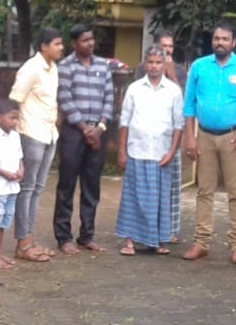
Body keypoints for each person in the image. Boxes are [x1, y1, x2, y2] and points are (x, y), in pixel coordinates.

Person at [181, 23, 236, 265]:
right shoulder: (199, 66)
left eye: (225, 39)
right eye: (216, 38)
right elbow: (189, 105)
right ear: (212, 41)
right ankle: (201, 242)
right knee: (204, 190)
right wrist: (191, 137)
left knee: (235, 192)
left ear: (233, 42)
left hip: (233, 136)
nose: (220, 42)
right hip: (204, 135)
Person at [115, 46, 184, 256]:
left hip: (161, 154)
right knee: (133, 199)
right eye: (151, 62)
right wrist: (122, 151)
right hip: (137, 151)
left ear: (164, 65)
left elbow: (178, 125)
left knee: (159, 200)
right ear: (145, 63)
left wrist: (172, 152)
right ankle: (130, 242)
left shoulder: (173, 90)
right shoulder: (135, 88)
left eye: (158, 62)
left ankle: (156, 242)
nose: (154, 66)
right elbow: (124, 120)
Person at [54, 23, 115, 254]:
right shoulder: (66, 66)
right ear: (74, 44)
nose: (90, 43)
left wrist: (99, 128)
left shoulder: (103, 65)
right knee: (67, 185)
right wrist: (84, 129)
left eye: (91, 39)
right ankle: (63, 237)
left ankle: (87, 235)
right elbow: (65, 99)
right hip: (73, 133)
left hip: (98, 132)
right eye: (84, 40)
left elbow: (109, 98)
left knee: (92, 186)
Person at [9, 27, 66, 262]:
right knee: (27, 188)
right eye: (57, 44)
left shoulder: (53, 69)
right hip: (31, 133)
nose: (61, 48)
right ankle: (22, 243)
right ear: (44, 46)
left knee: (38, 188)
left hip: (49, 133)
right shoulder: (31, 68)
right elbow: (15, 99)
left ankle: (29, 240)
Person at [134, 31, 184, 243]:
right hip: (145, 139)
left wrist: (171, 74)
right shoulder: (141, 69)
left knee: (170, 187)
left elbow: (184, 104)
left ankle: (169, 230)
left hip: (171, 139)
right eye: (163, 46)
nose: (167, 50)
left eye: (170, 47)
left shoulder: (180, 71)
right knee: (145, 187)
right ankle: (144, 230)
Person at [0, 99, 25, 269]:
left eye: (17, 118)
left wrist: (21, 170)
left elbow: (20, 157)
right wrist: (4, 173)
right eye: (12, 118)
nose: (15, 122)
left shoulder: (16, 136)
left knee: (3, 221)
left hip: (12, 187)